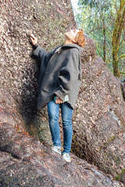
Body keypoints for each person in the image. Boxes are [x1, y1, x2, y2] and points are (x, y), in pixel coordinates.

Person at [28, 28, 85, 163]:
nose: (70, 30)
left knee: (66, 121)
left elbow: (71, 76)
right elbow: (47, 58)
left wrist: (62, 94)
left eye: (74, 31)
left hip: (66, 92)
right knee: (52, 116)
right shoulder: (61, 49)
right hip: (53, 90)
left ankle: (66, 152)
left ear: (74, 39)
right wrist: (36, 46)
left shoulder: (73, 51)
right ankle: (56, 145)